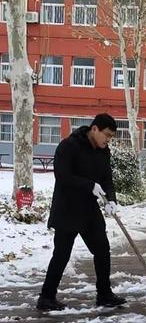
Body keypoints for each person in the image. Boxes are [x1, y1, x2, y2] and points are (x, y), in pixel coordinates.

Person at [36, 113, 127, 311]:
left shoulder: (103, 151)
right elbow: (62, 175)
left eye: (111, 137)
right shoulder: (69, 146)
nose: (108, 140)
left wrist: (111, 200)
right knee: (62, 254)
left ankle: (104, 294)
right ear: (94, 129)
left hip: (89, 211)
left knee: (102, 250)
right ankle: (46, 297)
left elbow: (106, 179)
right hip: (67, 209)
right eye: (107, 135)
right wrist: (89, 185)